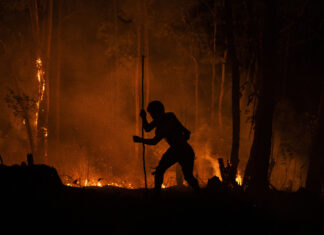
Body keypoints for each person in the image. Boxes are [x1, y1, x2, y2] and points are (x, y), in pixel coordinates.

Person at [133, 100, 200, 195]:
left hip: (179, 149)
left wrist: (140, 140)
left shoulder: (166, 123)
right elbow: (147, 128)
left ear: (158, 112)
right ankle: (199, 193)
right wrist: (144, 117)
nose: (152, 116)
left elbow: (154, 141)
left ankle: (157, 194)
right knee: (188, 176)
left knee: (161, 170)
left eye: (152, 114)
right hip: (185, 149)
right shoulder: (166, 117)